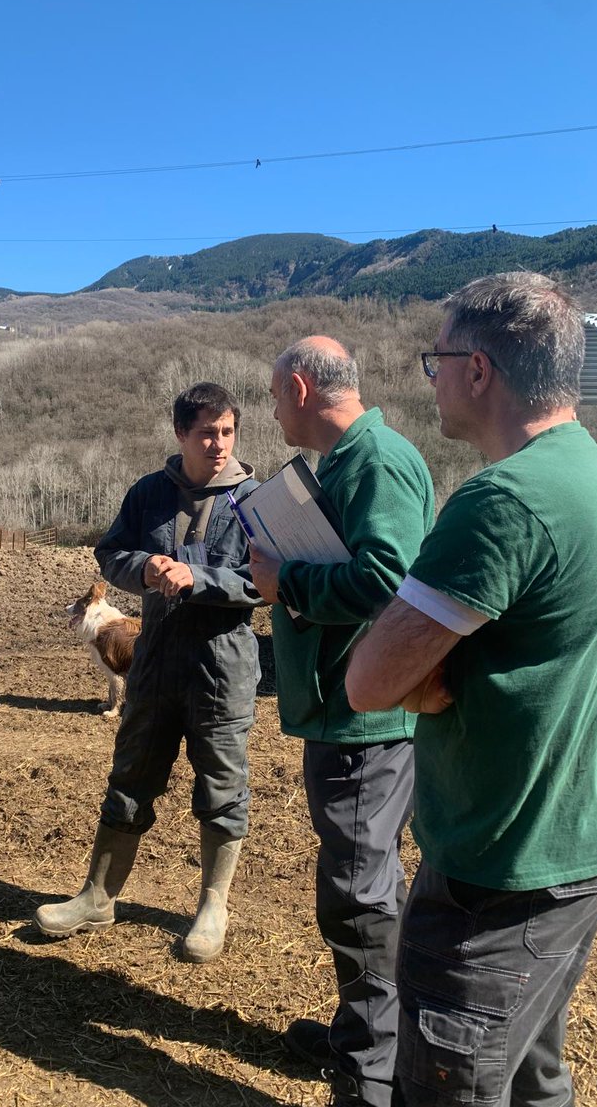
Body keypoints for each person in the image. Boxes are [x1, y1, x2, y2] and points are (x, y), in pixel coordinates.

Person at [346, 273, 597, 1107]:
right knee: (534, 1073)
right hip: (572, 846)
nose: (432, 381)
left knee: (453, 1086)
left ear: (479, 369)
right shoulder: (594, 471)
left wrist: (425, 682)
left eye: (437, 362)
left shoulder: (503, 502)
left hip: (496, 874)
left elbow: (368, 681)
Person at [249, 337, 434, 1107]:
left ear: (298, 387)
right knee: (355, 883)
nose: (271, 408)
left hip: (367, 725)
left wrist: (283, 578)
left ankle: (372, 1074)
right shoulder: (352, 461)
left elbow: (388, 581)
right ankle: (360, 1032)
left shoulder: (378, 462)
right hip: (347, 713)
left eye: (271, 394)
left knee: (360, 893)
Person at [33, 381, 261, 962]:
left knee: (222, 787)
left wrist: (200, 579)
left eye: (227, 431)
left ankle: (213, 905)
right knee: (131, 775)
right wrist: (145, 567)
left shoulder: (257, 500)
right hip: (155, 659)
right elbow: (110, 553)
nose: (218, 443)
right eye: (207, 431)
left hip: (223, 666)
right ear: (181, 433)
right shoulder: (148, 494)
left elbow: (268, 580)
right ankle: (98, 896)